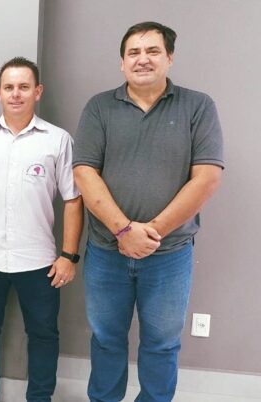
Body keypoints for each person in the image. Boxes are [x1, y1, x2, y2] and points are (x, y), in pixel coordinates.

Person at [73, 21, 224, 402]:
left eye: (153, 51)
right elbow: (85, 173)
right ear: (122, 62)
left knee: (162, 343)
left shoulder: (198, 106)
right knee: (106, 339)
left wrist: (150, 233)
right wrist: (124, 231)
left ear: (169, 58)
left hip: (169, 255)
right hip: (107, 252)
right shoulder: (99, 107)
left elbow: (206, 178)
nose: (143, 59)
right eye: (134, 52)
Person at [0, 57, 83, 402]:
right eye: (9, 87)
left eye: (24, 86)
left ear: (38, 91)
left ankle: (40, 398)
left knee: (43, 335)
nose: (16, 94)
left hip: (40, 261)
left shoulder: (58, 140)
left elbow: (73, 200)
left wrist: (69, 255)